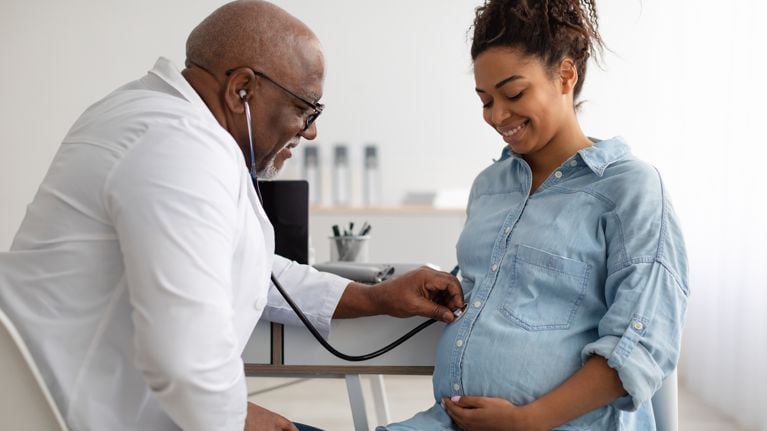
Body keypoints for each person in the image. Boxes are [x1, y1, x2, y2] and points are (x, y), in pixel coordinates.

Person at [0, 1, 464, 430]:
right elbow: (185, 360)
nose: (312, 131)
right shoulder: (179, 148)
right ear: (242, 88)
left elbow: (250, 270)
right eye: (305, 109)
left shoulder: (160, 121)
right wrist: (237, 419)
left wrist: (377, 297)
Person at [381, 0, 689, 430]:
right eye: (485, 100)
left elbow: (641, 342)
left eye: (513, 94)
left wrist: (529, 420)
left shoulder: (630, 188)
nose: (496, 116)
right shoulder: (490, 186)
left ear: (565, 75)